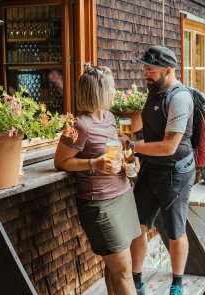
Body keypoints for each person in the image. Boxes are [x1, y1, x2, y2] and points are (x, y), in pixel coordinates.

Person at [54, 64, 141, 295]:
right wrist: (94, 164)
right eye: (112, 88)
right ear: (98, 92)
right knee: (123, 270)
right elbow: (61, 162)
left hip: (122, 194)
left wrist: (129, 160)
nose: (115, 91)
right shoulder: (78, 125)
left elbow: (119, 147)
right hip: (100, 204)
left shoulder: (111, 117)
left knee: (115, 268)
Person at [130, 45, 195, 295]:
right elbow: (143, 125)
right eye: (145, 68)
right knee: (138, 226)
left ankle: (177, 283)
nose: (146, 73)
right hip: (149, 169)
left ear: (168, 70)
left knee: (175, 230)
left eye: (150, 69)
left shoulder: (180, 98)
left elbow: (169, 147)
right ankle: (136, 280)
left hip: (174, 172)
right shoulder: (154, 92)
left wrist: (135, 147)